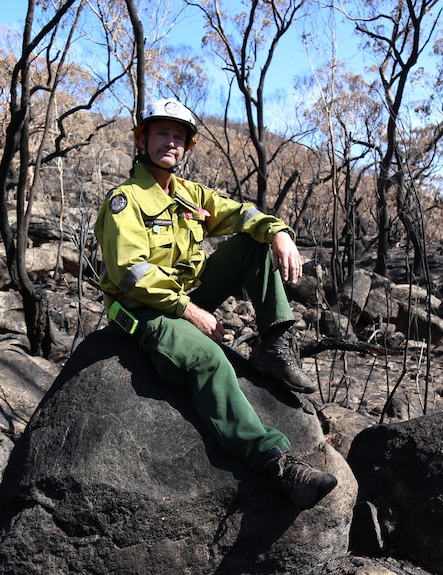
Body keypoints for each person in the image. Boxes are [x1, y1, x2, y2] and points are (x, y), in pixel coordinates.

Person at [93, 98, 337, 509]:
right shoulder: (126, 200)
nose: (169, 142)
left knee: (252, 246)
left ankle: (275, 344)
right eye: (161, 133)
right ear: (143, 139)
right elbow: (130, 273)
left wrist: (278, 232)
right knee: (208, 358)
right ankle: (274, 461)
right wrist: (189, 311)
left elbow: (241, 215)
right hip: (142, 308)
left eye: (177, 136)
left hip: (185, 294)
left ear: (186, 146)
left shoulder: (190, 196)